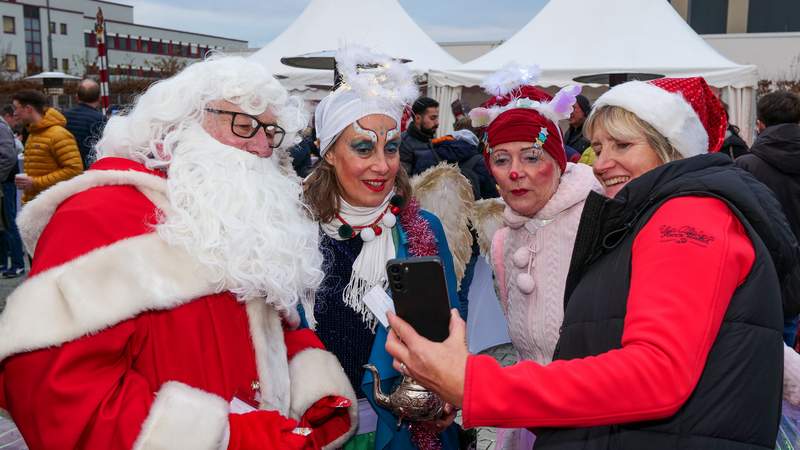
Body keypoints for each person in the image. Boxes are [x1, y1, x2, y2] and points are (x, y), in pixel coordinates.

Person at [386, 77, 800, 450]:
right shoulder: (635, 219)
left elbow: (658, 371)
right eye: (598, 148)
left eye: (623, 145)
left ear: (669, 147)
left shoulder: (685, 217)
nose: (601, 163)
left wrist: (477, 385)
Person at [0, 56, 358, 450]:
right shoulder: (99, 217)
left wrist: (317, 391)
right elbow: (56, 394)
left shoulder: (230, 213)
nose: (260, 147)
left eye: (270, 132)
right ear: (179, 125)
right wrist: (232, 439)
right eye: (244, 125)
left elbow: (268, 326)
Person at [304, 47, 461, 449]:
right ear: (329, 153)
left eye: (390, 148)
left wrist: (447, 392)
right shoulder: (293, 229)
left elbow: (449, 324)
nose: (382, 164)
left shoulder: (421, 229)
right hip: (314, 429)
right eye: (363, 148)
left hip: (399, 431)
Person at [11, 90, 82, 202]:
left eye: (16, 108)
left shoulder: (58, 134)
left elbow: (74, 170)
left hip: (52, 204)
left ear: (28, 109)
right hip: (37, 203)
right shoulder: (33, 133)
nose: (14, 113)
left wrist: (35, 182)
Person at [0, 105, 25, 278]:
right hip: (6, 180)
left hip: (5, 182)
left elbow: (9, 155)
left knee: (9, 222)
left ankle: (17, 264)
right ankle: (4, 262)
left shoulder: (1, 127)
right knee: (4, 223)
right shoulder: (3, 127)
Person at [64, 78, 107, 169]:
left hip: (66, 167)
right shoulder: (100, 119)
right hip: (89, 169)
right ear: (99, 98)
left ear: (77, 97)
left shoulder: (63, 116)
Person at [400, 96, 439, 175]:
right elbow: (403, 180)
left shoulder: (431, 137)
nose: (437, 123)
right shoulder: (404, 143)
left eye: (437, 118)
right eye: (432, 118)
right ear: (417, 118)